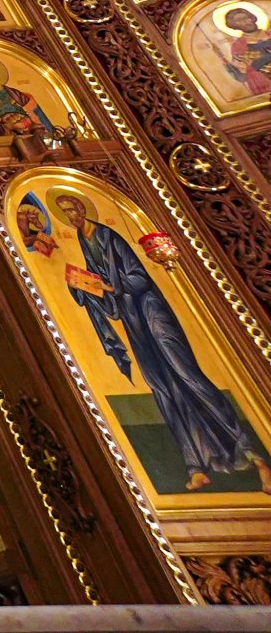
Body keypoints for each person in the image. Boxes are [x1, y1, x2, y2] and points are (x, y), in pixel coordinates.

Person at [52, 192, 271, 493]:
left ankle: (255, 456)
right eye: (64, 213)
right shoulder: (83, 239)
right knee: (163, 388)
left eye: (72, 209)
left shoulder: (108, 235)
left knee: (187, 377)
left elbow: (138, 279)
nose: (71, 216)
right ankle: (196, 465)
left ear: (80, 207)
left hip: (154, 315)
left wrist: (107, 285)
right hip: (133, 320)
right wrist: (84, 286)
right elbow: (108, 293)